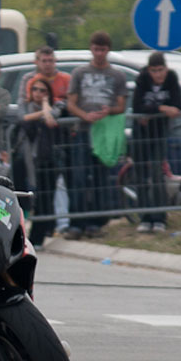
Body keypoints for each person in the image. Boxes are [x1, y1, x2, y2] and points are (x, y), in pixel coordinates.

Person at [65, 30, 127, 239]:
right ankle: (76, 223)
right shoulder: (79, 73)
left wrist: (108, 111)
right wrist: (84, 115)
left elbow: (121, 105)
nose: (99, 53)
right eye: (96, 49)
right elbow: (71, 103)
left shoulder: (117, 75)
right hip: (83, 132)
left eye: (103, 49)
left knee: (100, 179)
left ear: (108, 50)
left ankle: (97, 223)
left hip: (105, 134)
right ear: (91, 48)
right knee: (80, 178)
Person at [132, 51, 181, 232]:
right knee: (141, 175)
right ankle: (144, 217)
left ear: (166, 68)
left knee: (156, 171)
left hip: (159, 132)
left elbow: (178, 104)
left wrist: (151, 112)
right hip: (141, 134)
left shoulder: (172, 78)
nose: (158, 75)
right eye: (154, 71)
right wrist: (161, 108)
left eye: (161, 70)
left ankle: (160, 216)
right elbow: (137, 105)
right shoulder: (142, 78)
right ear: (149, 70)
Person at [18, 78, 67, 247]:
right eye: (36, 90)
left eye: (43, 91)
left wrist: (46, 104)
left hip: (47, 159)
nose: (38, 93)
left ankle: (37, 238)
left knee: (45, 199)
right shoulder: (25, 104)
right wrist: (43, 112)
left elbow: (50, 119)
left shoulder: (57, 106)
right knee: (24, 200)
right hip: (26, 160)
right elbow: (23, 117)